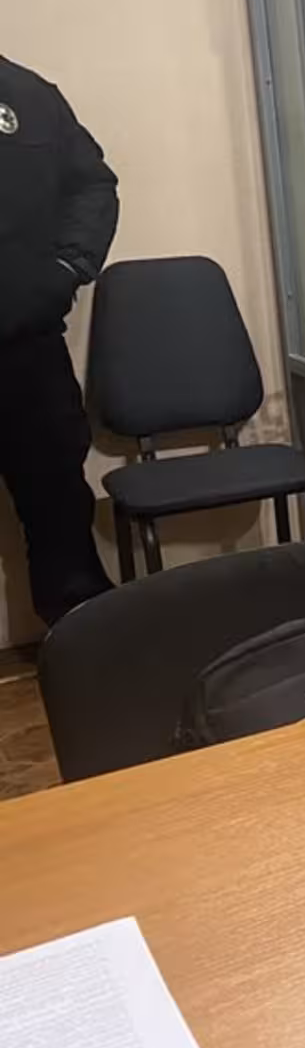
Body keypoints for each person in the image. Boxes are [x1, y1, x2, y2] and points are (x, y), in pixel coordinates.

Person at [0, 54, 117, 627]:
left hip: (27, 351)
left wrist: (67, 267)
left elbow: (92, 185)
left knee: (61, 519)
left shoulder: (27, 94)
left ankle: (88, 657)